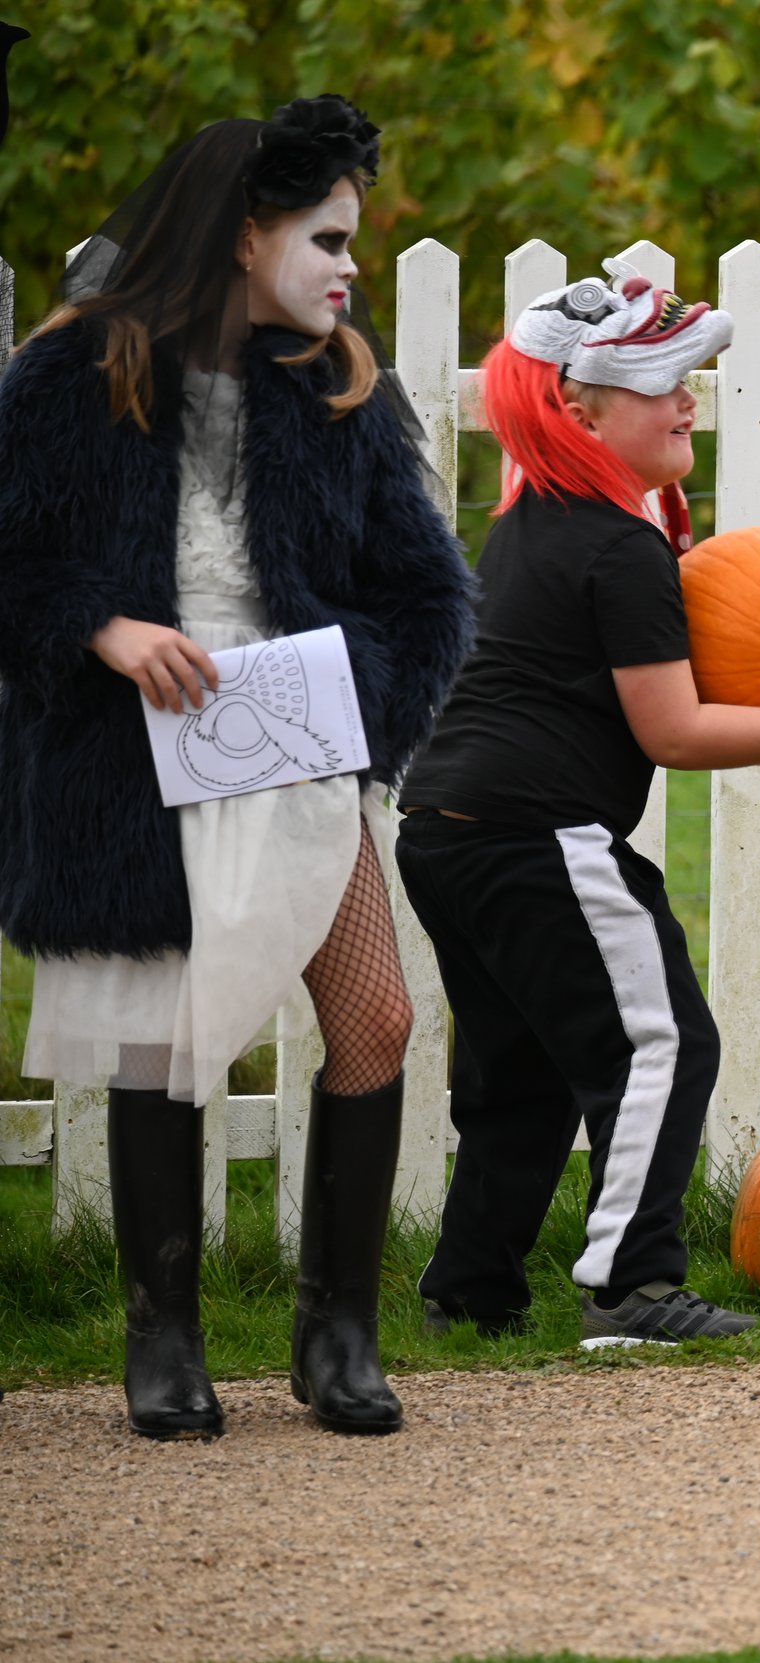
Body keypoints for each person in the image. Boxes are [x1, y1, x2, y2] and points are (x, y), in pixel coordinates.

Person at [0, 96, 476, 1438]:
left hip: (305, 754)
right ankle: (165, 1335)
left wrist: (355, 711)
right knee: (165, 1035)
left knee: (376, 1018)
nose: (348, 266)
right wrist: (102, 624)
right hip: (133, 761)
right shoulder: (78, 373)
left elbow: (429, 596)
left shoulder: (340, 390)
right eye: (326, 236)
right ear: (242, 232)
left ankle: (337, 1331)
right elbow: (14, 557)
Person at [394, 266, 760, 1345]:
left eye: (691, 377)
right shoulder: (614, 548)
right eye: (661, 381)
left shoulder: (541, 517)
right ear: (578, 406)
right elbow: (674, 731)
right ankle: (631, 1286)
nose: (687, 400)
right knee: (662, 1042)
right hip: (538, 833)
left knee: (521, 1070)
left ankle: (470, 1288)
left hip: (444, 829)